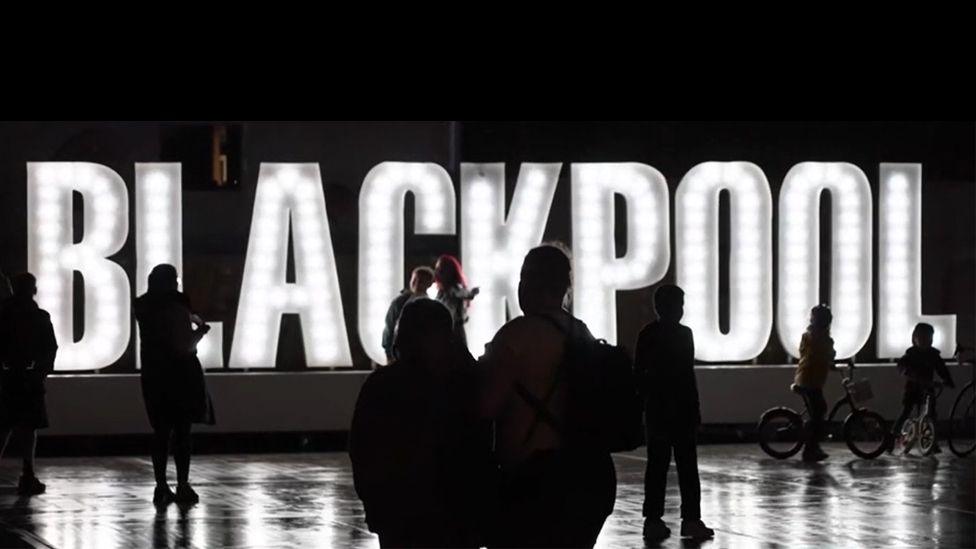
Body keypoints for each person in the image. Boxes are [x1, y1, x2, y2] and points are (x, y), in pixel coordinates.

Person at [479, 244, 615, 548]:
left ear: (527, 283)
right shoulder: (582, 332)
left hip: (534, 481)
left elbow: (486, 407)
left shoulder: (514, 336)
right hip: (588, 477)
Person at [351, 298, 491, 548]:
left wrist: (376, 507)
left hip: (399, 514)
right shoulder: (462, 385)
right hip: (453, 515)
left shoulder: (381, 385)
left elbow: (362, 450)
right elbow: (479, 447)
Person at [634, 284, 714, 542]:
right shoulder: (684, 334)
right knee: (688, 467)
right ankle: (691, 520)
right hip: (681, 409)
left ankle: (653, 520)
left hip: (658, 409)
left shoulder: (647, 334)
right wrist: (696, 409)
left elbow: (639, 375)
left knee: (656, 466)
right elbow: (687, 376)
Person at [134, 264, 214, 506]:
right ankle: (182, 484)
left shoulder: (143, 306)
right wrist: (200, 332)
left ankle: (160, 485)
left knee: (161, 432)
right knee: (182, 432)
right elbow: (183, 345)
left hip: (153, 374)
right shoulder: (177, 306)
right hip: (181, 374)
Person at [0, 273, 58, 496]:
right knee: (28, 429)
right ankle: (28, 474)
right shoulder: (39, 317)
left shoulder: (4, 315)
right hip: (29, 379)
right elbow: (50, 348)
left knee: (4, 427)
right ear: (33, 290)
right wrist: (40, 372)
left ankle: (28, 475)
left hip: (7, 378)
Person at [890, 322, 955, 453]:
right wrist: (908, 373)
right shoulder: (911, 354)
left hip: (927, 388)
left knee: (931, 414)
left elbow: (942, 369)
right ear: (915, 338)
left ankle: (932, 441)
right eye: (922, 337)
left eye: (928, 338)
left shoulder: (933, 355)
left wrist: (948, 381)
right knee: (906, 412)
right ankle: (890, 439)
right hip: (913, 388)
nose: (926, 341)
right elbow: (902, 366)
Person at [792, 304, 836, 463]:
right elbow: (826, 354)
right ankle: (809, 449)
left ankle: (813, 445)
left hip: (805, 378)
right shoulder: (822, 338)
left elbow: (809, 354)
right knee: (819, 412)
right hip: (811, 381)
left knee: (818, 411)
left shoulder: (808, 335)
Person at [381, 266, 435, 363]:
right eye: (414, 279)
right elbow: (389, 328)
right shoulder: (399, 302)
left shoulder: (431, 305)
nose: (416, 283)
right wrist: (389, 355)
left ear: (429, 284)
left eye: (421, 280)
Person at [434, 255, 479, 347]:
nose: (437, 272)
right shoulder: (441, 291)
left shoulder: (453, 288)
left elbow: (463, 294)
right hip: (445, 328)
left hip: (454, 328)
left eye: (440, 269)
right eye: (437, 268)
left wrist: (471, 293)